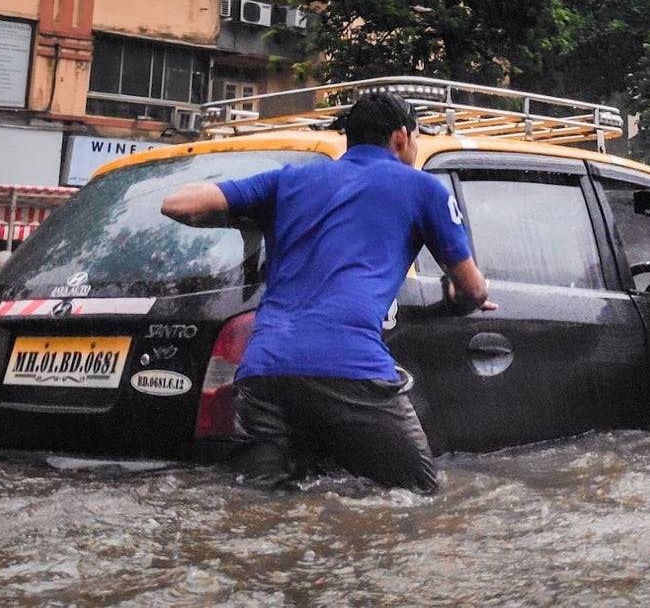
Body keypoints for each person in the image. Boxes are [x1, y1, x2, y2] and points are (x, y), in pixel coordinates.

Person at [160, 92, 495, 494]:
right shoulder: (424, 189)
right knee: (418, 498)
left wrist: (246, 217)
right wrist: (465, 296)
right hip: (352, 368)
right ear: (402, 138)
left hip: (264, 373)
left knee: (260, 504)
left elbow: (177, 204)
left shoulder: (287, 180)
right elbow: (472, 288)